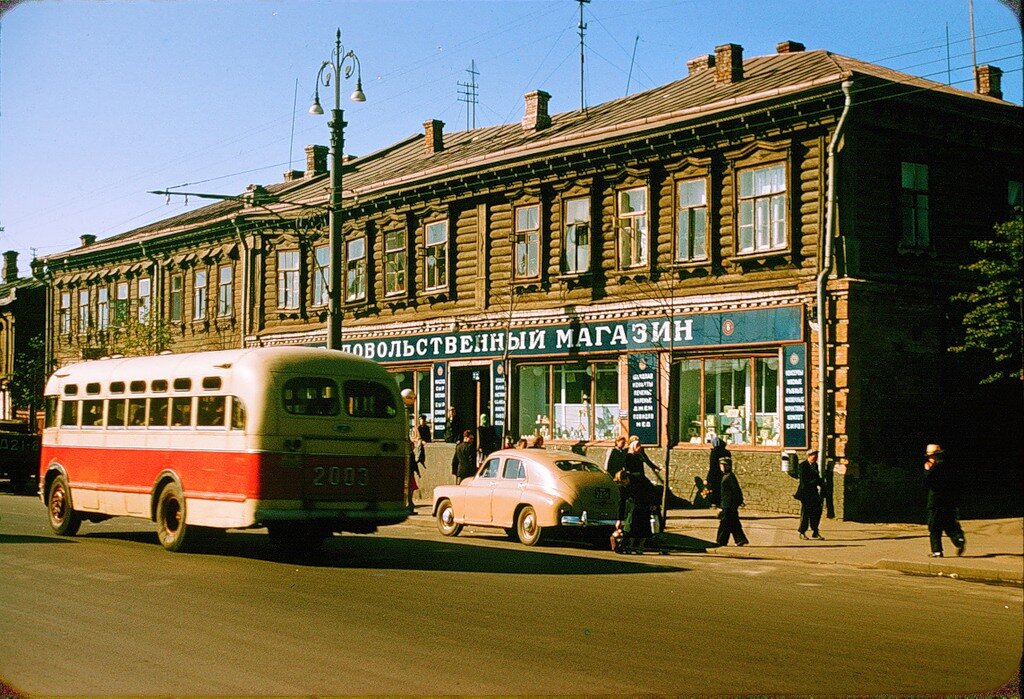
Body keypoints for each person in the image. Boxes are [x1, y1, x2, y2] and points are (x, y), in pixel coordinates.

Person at [923, 443, 966, 558]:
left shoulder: (933, 468)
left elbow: (930, 482)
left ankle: (937, 551)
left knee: (934, 527)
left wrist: (927, 470)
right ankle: (959, 539)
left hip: (936, 501)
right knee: (949, 524)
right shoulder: (949, 466)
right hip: (949, 500)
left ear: (934, 456)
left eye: (930, 456)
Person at [613, 470, 657, 554]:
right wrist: (619, 519)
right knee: (630, 524)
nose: (623, 485)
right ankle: (630, 545)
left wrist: (653, 503)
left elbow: (651, 490)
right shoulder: (622, 487)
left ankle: (640, 546)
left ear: (627, 478)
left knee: (645, 525)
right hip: (634, 503)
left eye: (623, 482)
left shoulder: (639, 478)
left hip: (646, 502)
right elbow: (621, 502)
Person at [715, 457, 748, 547]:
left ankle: (721, 541)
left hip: (729, 504)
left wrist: (738, 501)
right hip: (728, 504)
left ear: (728, 466)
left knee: (724, 523)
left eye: (723, 465)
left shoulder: (730, 477)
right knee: (734, 523)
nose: (721, 467)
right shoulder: (726, 476)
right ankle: (740, 539)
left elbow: (735, 490)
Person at [795, 449, 825, 540]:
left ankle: (815, 531)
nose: (815, 457)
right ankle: (802, 532)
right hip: (805, 493)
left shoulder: (815, 465)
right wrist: (817, 481)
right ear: (809, 456)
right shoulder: (803, 466)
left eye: (816, 456)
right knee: (806, 513)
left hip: (814, 492)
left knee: (817, 511)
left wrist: (821, 483)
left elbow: (817, 477)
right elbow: (804, 481)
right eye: (813, 456)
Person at [703, 436, 730, 507]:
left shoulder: (714, 452)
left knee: (716, 491)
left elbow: (712, 467)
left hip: (715, 475)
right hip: (726, 474)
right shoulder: (727, 452)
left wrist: (708, 479)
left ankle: (718, 505)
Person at [407, 430, 425, 512]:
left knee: (412, 488)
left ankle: (410, 502)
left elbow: (414, 465)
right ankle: (409, 502)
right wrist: (417, 472)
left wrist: (418, 472)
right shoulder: (410, 454)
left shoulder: (410, 454)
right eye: (412, 445)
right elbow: (414, 464)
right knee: (411, 488)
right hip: (409, 474)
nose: (413, 447)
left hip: (410, 473)